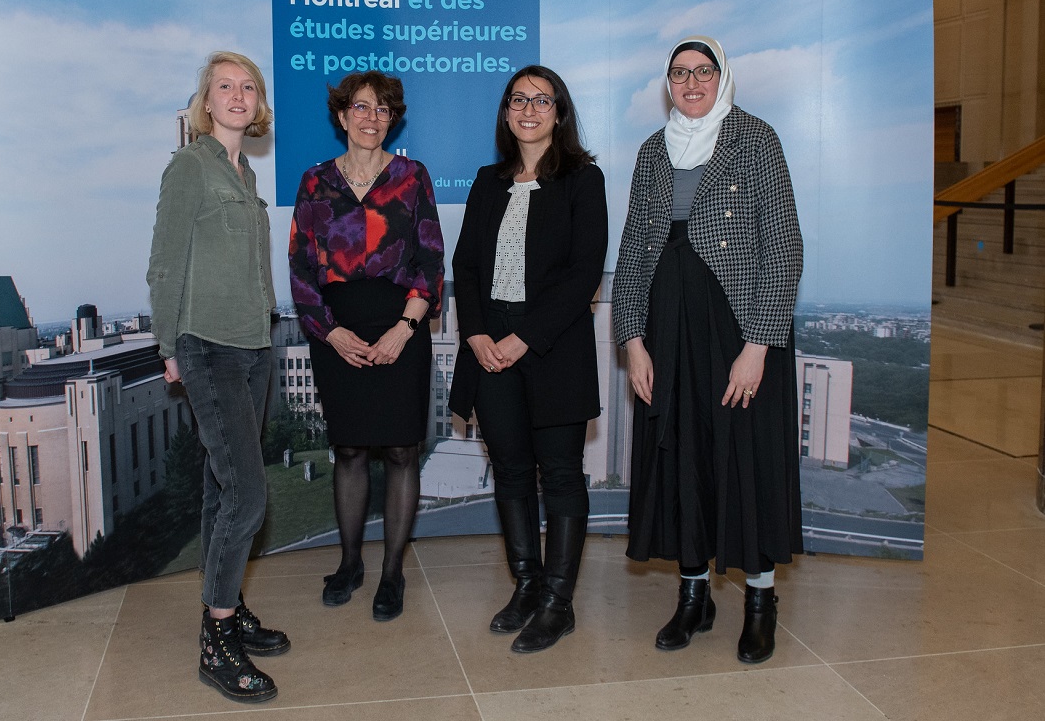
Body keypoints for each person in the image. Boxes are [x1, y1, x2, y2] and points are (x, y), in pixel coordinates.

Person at [611, 35, 803, 664]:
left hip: (738, 329)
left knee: (746, 460)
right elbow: (635, 252)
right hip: (668, 329)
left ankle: (759, 603)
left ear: (723, 78)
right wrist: (633, 341)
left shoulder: (756, 139)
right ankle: (694, 597)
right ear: (668, 84)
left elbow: (783, 248)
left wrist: (759, 345)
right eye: (679, 73)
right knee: (680, 454)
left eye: (702, 71)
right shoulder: (650, 151)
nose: (690, 83)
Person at [448, 65, 608, 653]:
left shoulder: (583, 181)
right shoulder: (488, 182)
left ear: (559, 113)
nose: (530, 109)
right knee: (511, 471)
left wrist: (527, 337)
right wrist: (477, 336)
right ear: (507, 111)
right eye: (519, 99)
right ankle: (526, 585)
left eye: (543, 100)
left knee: (561, 474)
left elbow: (583, 272)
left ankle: (558, 603)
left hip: (554, 346)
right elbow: (465, 266)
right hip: (490, 347)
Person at [147, 52, 288, 703]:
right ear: (206, 101)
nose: (237, 95)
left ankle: (221, 603)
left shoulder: (243, 168)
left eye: (247, 86)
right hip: (207, 347)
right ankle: (217, 637)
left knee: (218, 484)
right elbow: (165, 265)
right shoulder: (190, 167)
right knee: (248, 494)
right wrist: (168, 344)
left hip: (254, 345)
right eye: (224, 86)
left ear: (258, 103)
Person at [289, 71, 444, 622]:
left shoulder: (413, 177)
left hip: (402, 320)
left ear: (392, 118)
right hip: (337, 328)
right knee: (350, 450)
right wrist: (330, 332)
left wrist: (405, 328)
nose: (371, 117)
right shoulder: (313, 182)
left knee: (402, 451)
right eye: (361, 107)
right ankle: (350, 563)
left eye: (383, 109)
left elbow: (431, 262)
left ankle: (392, 573)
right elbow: (301, 269)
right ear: (341, 115)